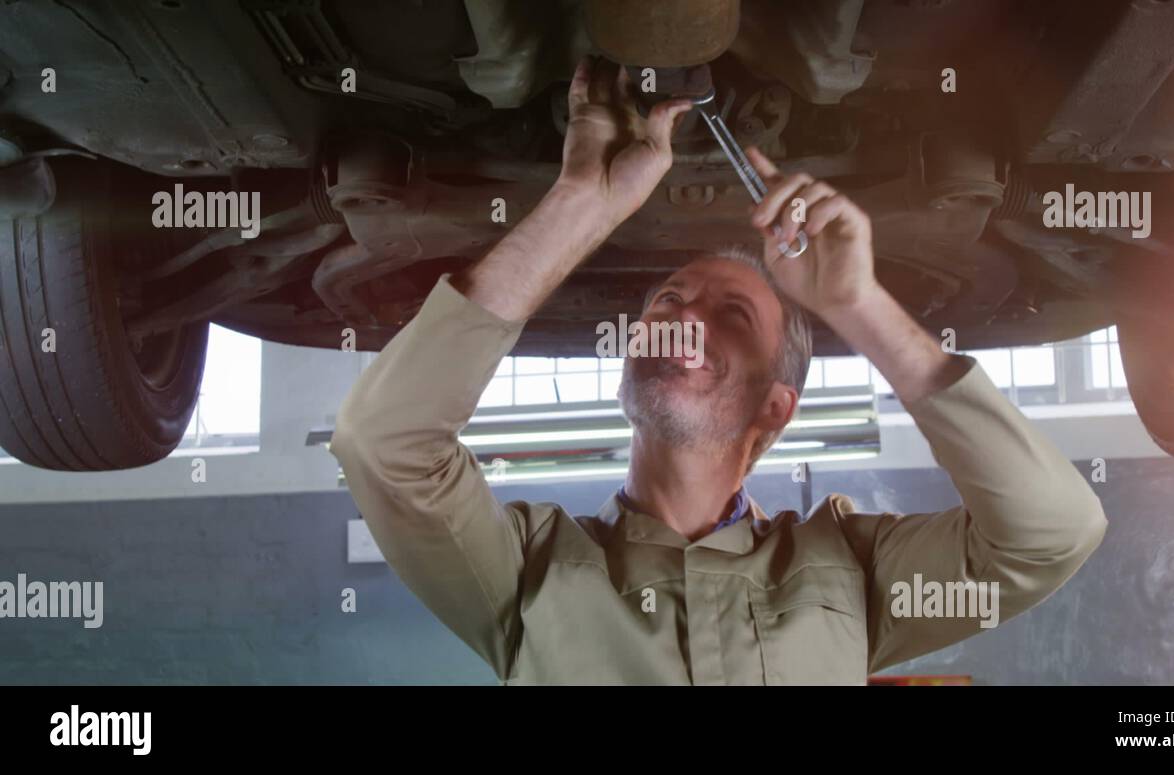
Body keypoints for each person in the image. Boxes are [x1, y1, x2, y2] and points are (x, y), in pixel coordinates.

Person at [330, 57, 1107, 685]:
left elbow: (1050, 536)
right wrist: (581, 204)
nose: (680, 316)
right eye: (669, 299)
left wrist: (860, 303)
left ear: (775, 408)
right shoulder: (522, 570)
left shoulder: (855, 570)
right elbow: (382, 442)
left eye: (732, 316)